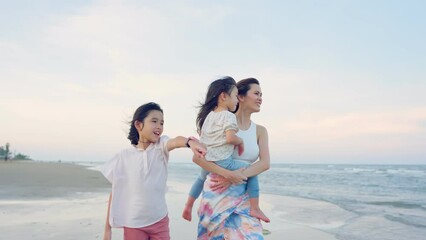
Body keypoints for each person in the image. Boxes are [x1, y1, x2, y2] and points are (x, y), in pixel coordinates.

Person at [101, 102, 206, 240]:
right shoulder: (124, 156)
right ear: (139, 125)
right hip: (134, 223)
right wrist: (107, 230)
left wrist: (189, 142)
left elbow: (175, 141)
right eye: (154, 121)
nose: (159, 126)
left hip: (159, 220)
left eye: (162, 123)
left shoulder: (160, 146)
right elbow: (115, 192)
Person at [194, 78, 271, 239]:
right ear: (240, 97)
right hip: (217, 195)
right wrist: (227, 174)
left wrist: (235, 176)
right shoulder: (221, 120)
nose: (260, 98)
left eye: (261, 94)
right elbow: (200, 158)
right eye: (256, 93)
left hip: (244, 198)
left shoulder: (260, 131)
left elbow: (265, 163)